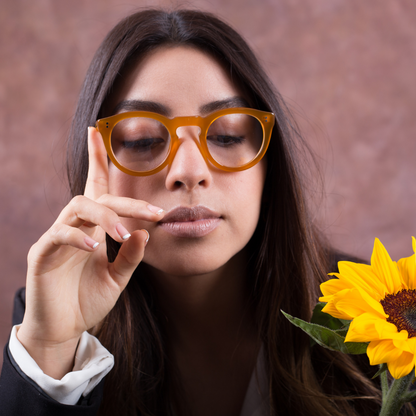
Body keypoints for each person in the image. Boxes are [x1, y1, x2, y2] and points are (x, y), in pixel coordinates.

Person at [0, 8, 403, 416]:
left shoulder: (387, 321)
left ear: (270, 164)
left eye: (227, 135)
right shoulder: (51, 315)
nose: (189, 173)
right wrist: (51, 350)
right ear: (96, 164)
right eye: (142, 140)